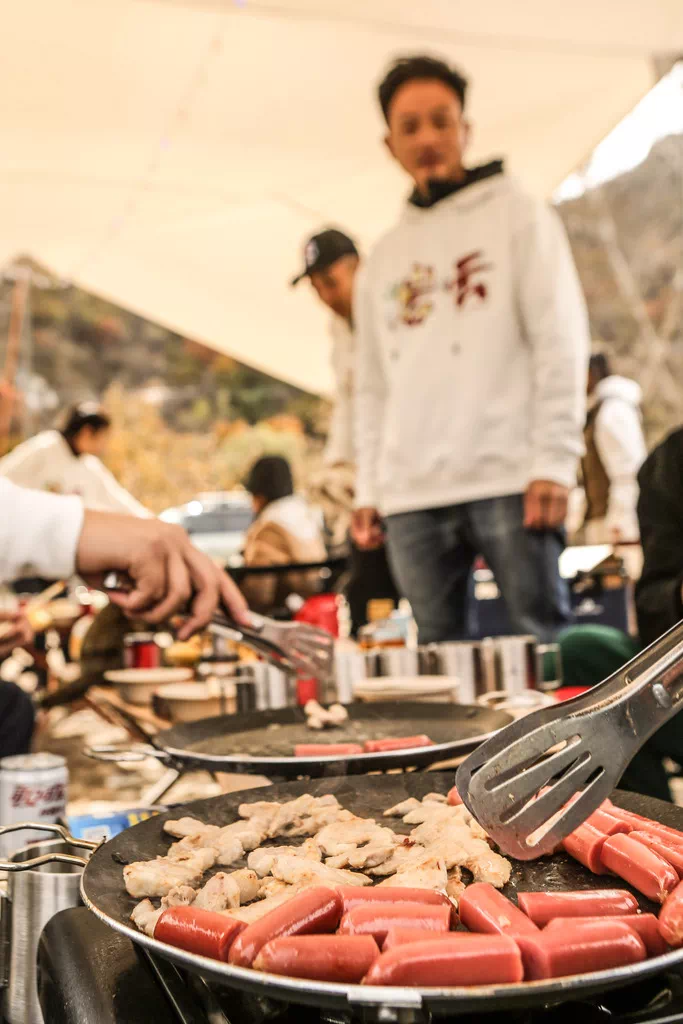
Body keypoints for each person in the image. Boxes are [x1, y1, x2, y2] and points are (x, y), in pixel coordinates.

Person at [352, 55, 589, 644]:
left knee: (541, 647)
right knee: (435, 658)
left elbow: (560, 340)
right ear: (389, 144)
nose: (427, 139)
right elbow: (371, 386)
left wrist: (554, 462)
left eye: (441, 121)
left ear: (466, 128)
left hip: (512, 477)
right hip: (411, 492)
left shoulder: (519, 216)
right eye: (410, 126)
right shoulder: (383, 256)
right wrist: (370, 488)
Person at [0, 476, 249, 757]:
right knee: (17, 707)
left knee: (16, 707)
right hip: (101, 659)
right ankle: (45, 702)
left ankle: (44, 703)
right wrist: (77, 531)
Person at [291, 230, 399, 631]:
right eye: (316, 288)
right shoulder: (339, 332)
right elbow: (348, 405)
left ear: (359, 268)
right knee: (368, 596)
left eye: (331, 283)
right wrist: (337, 466)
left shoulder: (395, 316)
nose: (325, 296)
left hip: (402, 479)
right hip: (366, 487)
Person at [0, 402, 149, 516]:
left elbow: (118, 500)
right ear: (87, 432)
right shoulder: (45, 447)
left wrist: (149, 521)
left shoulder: (90, 465)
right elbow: (5, 474)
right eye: (102, 437)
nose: (104, 445)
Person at [242, 456, 327, 612]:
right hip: (315, 605)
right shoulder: (305, 515)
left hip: (289, 613)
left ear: (259, 496)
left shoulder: (269, 529)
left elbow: (259, 593)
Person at [580, 353, 647, 544]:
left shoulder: (613, 411)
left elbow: (629, 470)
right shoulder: (596, 411)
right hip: (602, 519)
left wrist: (621, 520)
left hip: (615, 525)